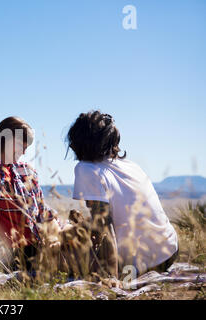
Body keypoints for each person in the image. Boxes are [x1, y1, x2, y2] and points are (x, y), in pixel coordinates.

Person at [66, 110, 179, 276]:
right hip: (170, 250)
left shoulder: (86, 169)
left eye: (74, 139)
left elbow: (104, 225)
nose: (70, 145)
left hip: (140, 263)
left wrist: (110, 277)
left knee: (65, 257)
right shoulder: (130, 165)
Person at [0, 116, 60, 274]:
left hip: (33, 249)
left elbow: (42, 210)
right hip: (1, 252)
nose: (23, 152)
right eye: (20, 145)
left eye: (26, 147)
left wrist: (55, 233)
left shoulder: (26, 170)